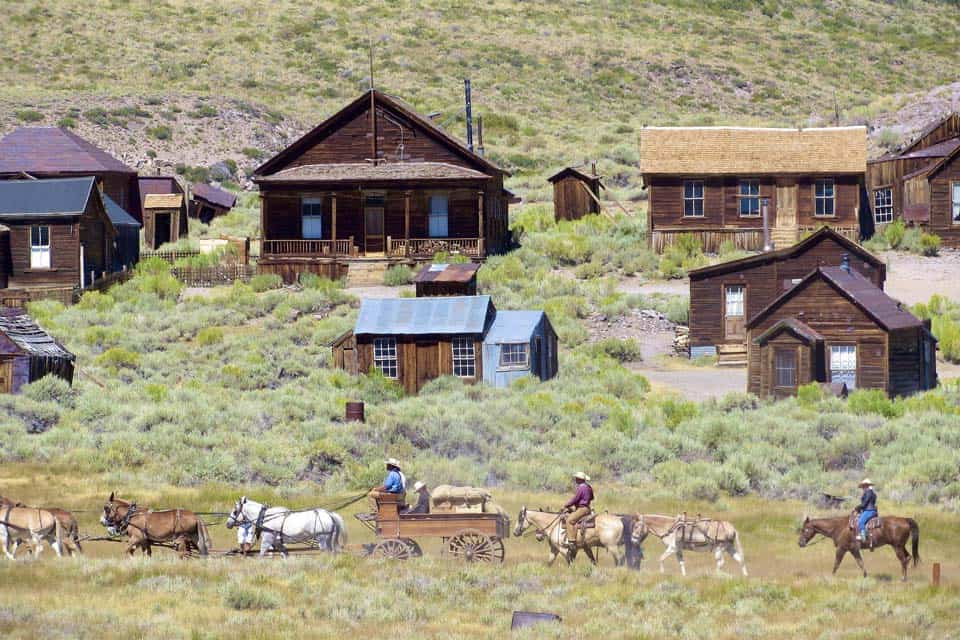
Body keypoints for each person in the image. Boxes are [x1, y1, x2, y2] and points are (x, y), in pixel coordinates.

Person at [563, 472, 594, 548]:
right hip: (587, 508)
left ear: (580, 479)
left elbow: (576, 499)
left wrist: (567, 505)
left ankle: (571, 541)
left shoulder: (581, 487)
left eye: (576, 478)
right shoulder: (588, 487)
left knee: (569, 520)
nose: (575, 480)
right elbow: (592, 497)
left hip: (582, 509)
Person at [855, 478, 878, 543]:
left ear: (866, 486)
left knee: (860, 522)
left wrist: (857, 508)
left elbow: (864, 503)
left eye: (863, 486)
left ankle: (863, 536)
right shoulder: (873, 493)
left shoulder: (868, 492)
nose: (862, 488)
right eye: (862, 487)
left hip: (869, 510)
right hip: (872, 510)